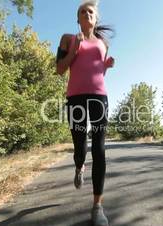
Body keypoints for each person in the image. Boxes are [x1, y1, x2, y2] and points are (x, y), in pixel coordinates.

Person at [55, 1, 114, 225]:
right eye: (82, 11)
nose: (86, 14)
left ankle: (97, 206)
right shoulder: (68, 38)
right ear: (77, 18)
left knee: (99, 148)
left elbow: (98, 73)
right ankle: (79, 165)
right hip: (76, 97)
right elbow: (60, 69)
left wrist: (106, 66)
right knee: (80, 146)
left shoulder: (103, 44)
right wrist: (74, 49)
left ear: (95, 18)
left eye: (90, 11)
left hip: (99, 96)